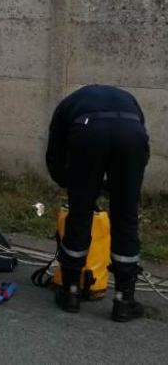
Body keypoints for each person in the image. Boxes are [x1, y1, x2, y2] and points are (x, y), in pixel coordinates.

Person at [46, 84, 150, 322]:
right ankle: (124, 301)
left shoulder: (66, 106)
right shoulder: (128, 100)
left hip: (87, 133)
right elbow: (142, 149)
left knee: (80, 213)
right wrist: (124, 189)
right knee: (126, 216)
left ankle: (71, 292)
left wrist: (71, 185)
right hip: (132, 135)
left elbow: (55, 153)